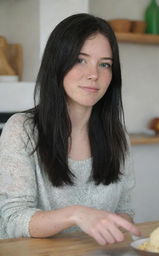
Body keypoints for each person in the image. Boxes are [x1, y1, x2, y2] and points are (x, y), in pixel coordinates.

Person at [0, 13, 141, 245]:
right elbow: (13, 220)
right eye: (80, 60)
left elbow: (125, 209)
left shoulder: (118, 136)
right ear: (58, 63)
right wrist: (76, 214)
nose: (93, 74)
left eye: (104, 64)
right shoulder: (21, 130)